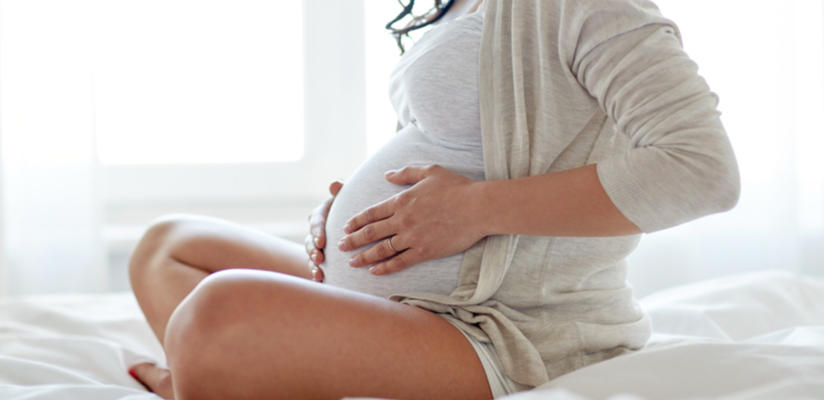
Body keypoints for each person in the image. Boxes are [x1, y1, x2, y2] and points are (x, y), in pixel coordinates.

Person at [127, 0, 740, 399]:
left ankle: (201, 381)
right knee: (169, 245)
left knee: (216, 316)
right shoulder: (458, 7)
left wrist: (474, 209)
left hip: (500, 325)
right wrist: (342, 216)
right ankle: (211, 379)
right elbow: (452, 152)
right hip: (399, 295)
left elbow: (702, 170)